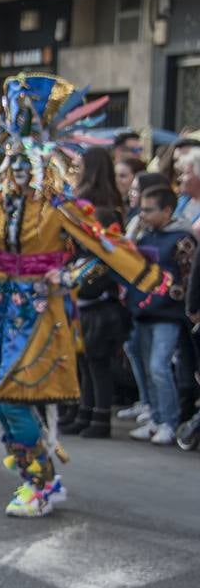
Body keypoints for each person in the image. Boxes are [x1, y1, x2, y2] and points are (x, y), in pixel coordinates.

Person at [0, 75, 163, 518]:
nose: (17, 170)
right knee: (3, 400)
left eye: (26, 162)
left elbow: (104, 251)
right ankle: (39, 478)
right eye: (12, 160)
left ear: (42, 164)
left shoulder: (60, 206)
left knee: (8, 398)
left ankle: (42, 481)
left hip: (37, 312)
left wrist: (70, 276)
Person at [58, 146, 130, 439]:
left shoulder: (102, 212)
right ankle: (84, 412)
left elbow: (103, 254)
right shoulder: (96, 207)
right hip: (85, 292)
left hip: (97, 295)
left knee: (94, 361)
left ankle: (98, 417)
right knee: (84, 360)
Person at [124, 186, 194, 444]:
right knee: (145, 365)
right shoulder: (145, 234)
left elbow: (188, 277)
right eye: (141, 208)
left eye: (148, 209)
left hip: (168, 312)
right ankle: (155, 416)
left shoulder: (181, 238)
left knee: (158, 366)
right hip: (142, 310)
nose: (142, 214)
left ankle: (169, 421)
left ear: (167, 210)